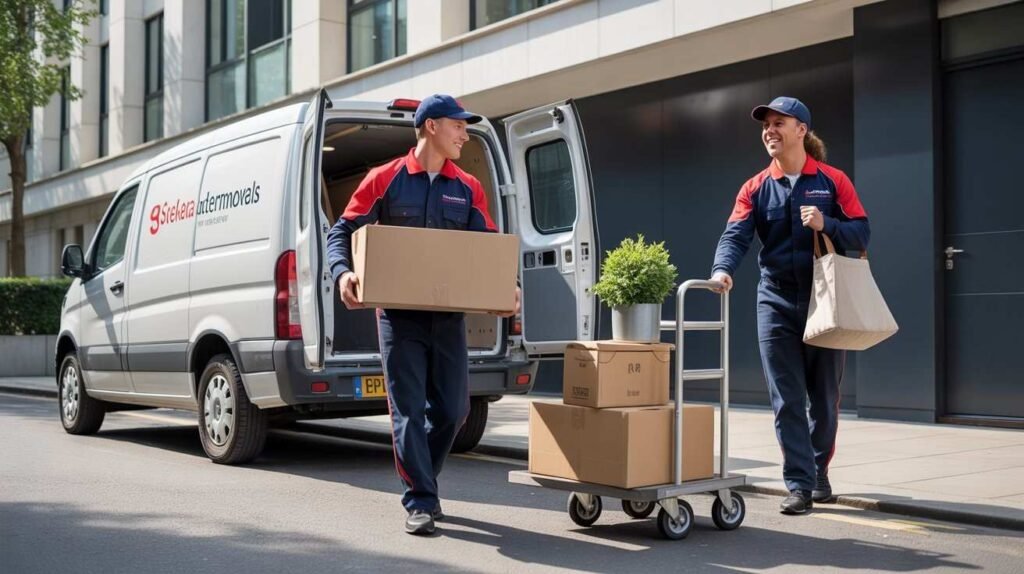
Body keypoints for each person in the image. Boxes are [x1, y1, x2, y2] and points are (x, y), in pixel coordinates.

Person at [325, 94, 521, 535]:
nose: (464, 134)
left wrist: (507, 288)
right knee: (409, 410)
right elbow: (342, 230)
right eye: (458, 125)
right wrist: (342, 273)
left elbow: (487, 251)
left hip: (447, 317)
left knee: (454, 411)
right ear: (431, 126)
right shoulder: (385, 179)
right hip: (399, 319)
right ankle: (421, 500)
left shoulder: (467, 187)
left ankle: (423, 480)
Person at [709, 97, 869, 515]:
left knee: (824, 399)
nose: (770, 130)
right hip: (775, 300)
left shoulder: (832, 181)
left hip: (825, 300)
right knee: (787, 398)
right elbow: (735, 235)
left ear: (802, 130)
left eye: (779, 123)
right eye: (766, 125)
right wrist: (723, 270)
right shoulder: (755, 187)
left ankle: (818, 470)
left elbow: (862, 232)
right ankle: (799, 484)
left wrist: (826, 224)